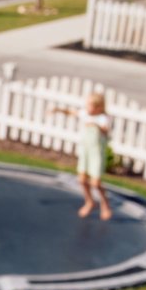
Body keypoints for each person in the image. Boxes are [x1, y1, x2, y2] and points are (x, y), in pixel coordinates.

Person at [52, 92, 114, 220]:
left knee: (96, 183)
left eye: (90, 106)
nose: (87, 108)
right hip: (85, 151)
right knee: (82, 180)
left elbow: (106, 131)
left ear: (99, 107)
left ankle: (105, 203)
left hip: (96, 153)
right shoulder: (85, 114)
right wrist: (57, 110)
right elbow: (71, 113)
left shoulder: (103, 118)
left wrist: (96, 125)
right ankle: (90, 201)